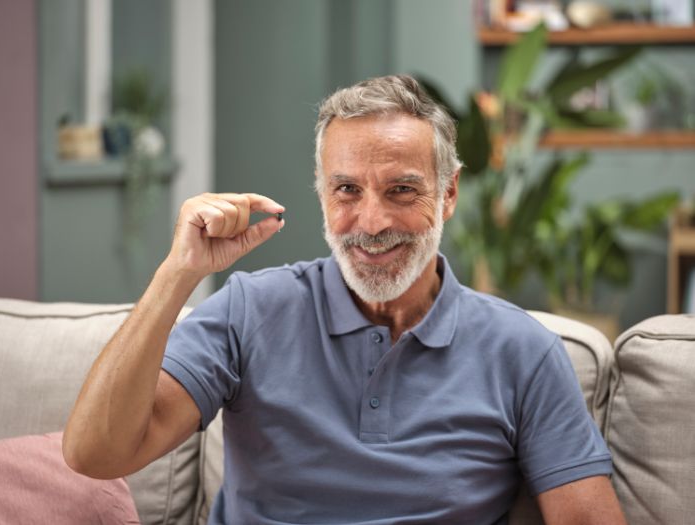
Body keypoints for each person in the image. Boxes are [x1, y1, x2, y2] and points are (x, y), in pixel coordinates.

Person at [64, 75, 626, 524]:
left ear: (449, 193)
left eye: (402, 190)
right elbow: (95, 455)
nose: (372, 222)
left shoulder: (522, 351)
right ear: (321, 191)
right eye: (347, 190)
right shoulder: (249, 311)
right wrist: (176, 274)